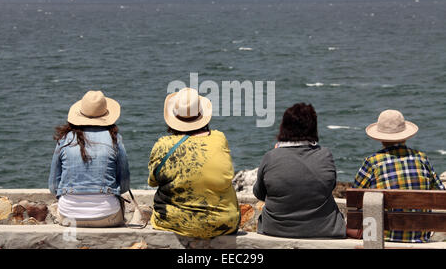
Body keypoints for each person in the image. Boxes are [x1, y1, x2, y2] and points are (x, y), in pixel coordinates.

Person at [147, 87, 240, 238]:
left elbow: (153, 181)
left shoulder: (163, 145)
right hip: (223, 224)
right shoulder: (219, 138)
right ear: (201, 114)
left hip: (174, 222)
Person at [253, 103, 346, 238]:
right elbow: (329, 187)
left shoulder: (271, 157)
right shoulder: (325, 155)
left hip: (275, 230)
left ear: (284, 127)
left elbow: (259, 193)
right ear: (313, 128)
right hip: (325, 230)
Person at [353, 109, 445, 243]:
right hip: (419, 237)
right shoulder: (422, 158)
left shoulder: (372, 162)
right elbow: (440, 194)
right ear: (405, 136)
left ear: (381, 138)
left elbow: (355, 199)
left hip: (382, 237)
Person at [48, 90, 130, 227]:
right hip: (107, 215)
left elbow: (53, 186)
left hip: (69, 215)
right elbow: (124, 185)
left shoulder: (64, 140)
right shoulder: (115, 140)